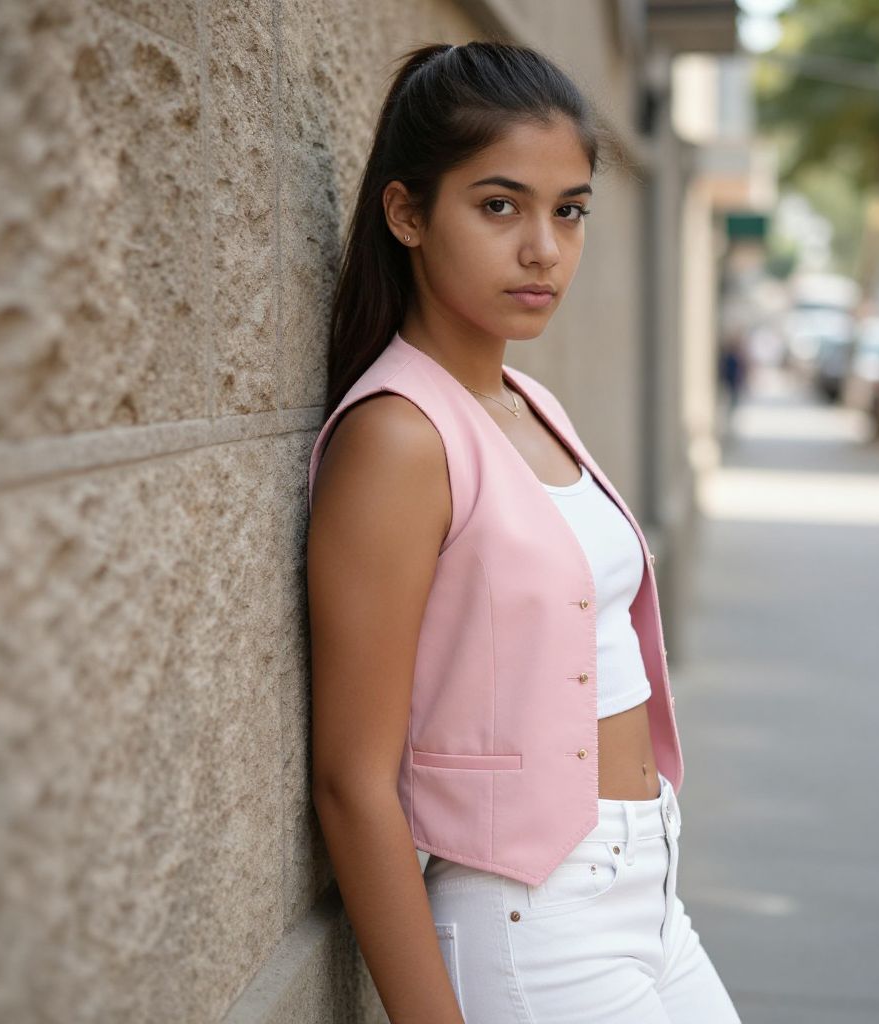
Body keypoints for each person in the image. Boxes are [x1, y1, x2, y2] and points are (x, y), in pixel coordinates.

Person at [305, 41, 742, 1024]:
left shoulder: (528, 401)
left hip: (646, 891)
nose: (543, 247)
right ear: (407, 212)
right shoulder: (398, 438)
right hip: (532, 922)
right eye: (499, 206)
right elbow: (350, 782)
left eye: (569, 209)